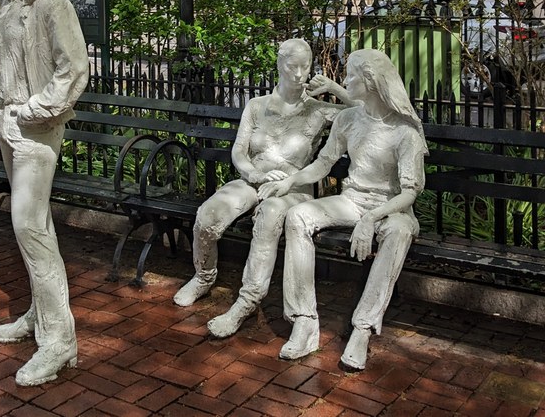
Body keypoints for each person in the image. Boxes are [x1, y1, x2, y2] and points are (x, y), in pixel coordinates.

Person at [0, 0, 89, 386]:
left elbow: (74, 67)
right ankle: (41, 316)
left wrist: (33, 110)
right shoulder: (3, 4)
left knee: (28, 224)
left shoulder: (48, 1)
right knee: (30, 228)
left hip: (36, 131)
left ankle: (60, 340)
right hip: (10, 126)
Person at [259, 48, 428, 370]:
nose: (344, 81)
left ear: (371, 81)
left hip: (391, 209)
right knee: (298, 216)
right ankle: (304, 322)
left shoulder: (405, 132)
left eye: (350, 75)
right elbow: (323, 164)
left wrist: (372, 218)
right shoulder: (348, 119)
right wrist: (289, 182)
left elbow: (410, 192)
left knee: (399, 233)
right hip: (352, 202)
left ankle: (363, 329)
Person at [174, 39, 352, 340]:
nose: (298, 74)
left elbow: (368, 113)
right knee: (208, 215)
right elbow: (239, 152)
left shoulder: (320, 110)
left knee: (269, 217)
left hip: (292, 188)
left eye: (305, 67)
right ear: (279, 65)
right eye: (291, 66)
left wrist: (335, 89)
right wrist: (252, 173)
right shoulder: (257, 107)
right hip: (253, 179)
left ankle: (246, 302)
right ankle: (204, 276)